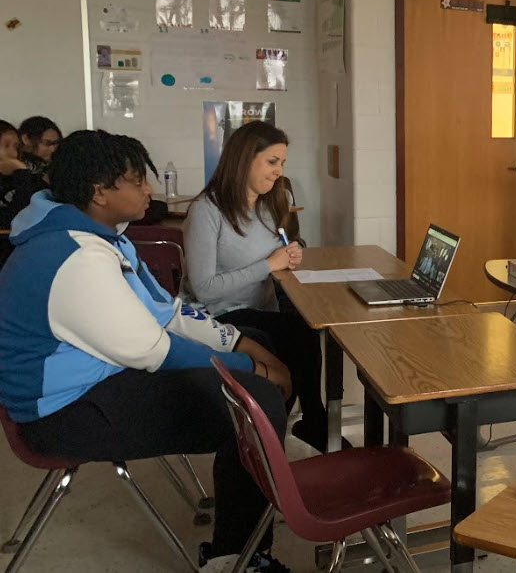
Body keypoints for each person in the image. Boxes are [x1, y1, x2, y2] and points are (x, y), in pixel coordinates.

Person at [0, 130, 293, 572]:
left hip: (96, 376)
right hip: (60, 413)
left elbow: (166, 312)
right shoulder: (74, 255)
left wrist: (243, 343)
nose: (149, 190)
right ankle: (236, 556)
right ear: (100, 192)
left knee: (261, 345)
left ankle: (252, 491)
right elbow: (153, 350)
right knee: (254, 402)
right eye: (137, 181)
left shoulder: (100, 236)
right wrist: (248, 366)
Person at [184, 121, 330, 452]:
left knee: (304, 330)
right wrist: (269, 264)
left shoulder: (266, 204)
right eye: (272, 162)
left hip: (261, 307)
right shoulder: (207, 211)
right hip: (221, 315)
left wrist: (290, 253)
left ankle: (305, 421)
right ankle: (298, 427)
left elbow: (274, 253)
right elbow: (204, 288)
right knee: (296, 337)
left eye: (282, 163)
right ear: (244, 159)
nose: (279, 172)